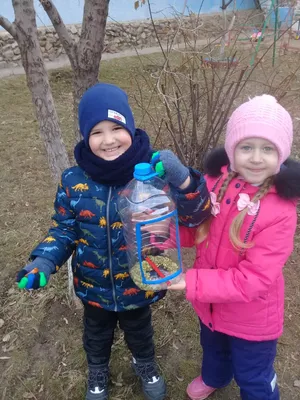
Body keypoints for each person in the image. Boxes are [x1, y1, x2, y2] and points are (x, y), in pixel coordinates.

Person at [16, 83, 211, 400]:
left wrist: (185, 179)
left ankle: (144, 362)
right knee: (96, 333)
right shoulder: (73, 180)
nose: (108, 140)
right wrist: (44, 260)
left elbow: (195, 216)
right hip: (93, 286)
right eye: (97, 132)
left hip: (140, 281)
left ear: (130, 127)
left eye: (117, 127)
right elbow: (64, 229)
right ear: (84, 136)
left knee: (140, 330)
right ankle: (97, 371)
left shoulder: (153, 174)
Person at [166, 95, 300, 400]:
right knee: (212, 347)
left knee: (253, 374)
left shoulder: (281, 210)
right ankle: (215, 377)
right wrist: (164, 234)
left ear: (280, 155)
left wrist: (190, 281)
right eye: (246, 147)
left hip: (253, 317)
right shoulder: (216, 184)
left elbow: (253, 279)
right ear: (231, 150)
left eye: (267, 149)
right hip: (211, 304)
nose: (255, 158)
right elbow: (198, 230)